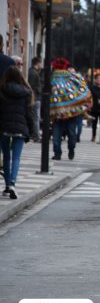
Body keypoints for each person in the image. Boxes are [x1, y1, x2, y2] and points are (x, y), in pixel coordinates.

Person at [0, 65, 34, 199]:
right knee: (16, 157)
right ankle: (13, 183)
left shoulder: (1, 90)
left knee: (6, 156)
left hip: (3, 128)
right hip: (20, 128)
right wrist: (30, 131)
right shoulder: (26, 92)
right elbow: (29, 114)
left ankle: (7, 185)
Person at [49, 58, 91, 160]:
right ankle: (57, 154)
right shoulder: (51, 79)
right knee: (56, 137)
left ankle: (71, 149)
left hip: (71, 114)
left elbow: (83, 90)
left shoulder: (74, 79)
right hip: (57, 114)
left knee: (72, 136)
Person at [27, 57, 42, 142]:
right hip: (35, 98)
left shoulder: (33, 72)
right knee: (36, 118)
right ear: (37, 63)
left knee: (35, 117)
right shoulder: (34, 73)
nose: (41, 65)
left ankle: (34, 134)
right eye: (40, 63)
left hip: (34, 97)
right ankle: (36, 135)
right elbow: (32, 86)